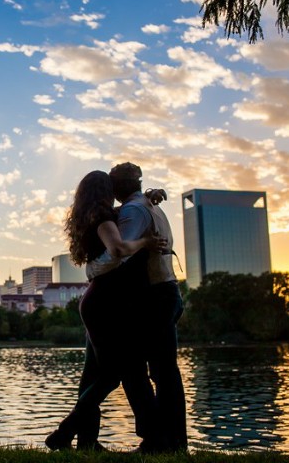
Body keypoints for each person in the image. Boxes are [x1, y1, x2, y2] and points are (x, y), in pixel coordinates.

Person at [45, 170, 164, 451]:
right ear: (104, 191)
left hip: (100, 301)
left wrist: (147, 197)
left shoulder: (91, 215)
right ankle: (63, 433)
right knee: (113, 375)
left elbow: (122, 214)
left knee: (94, 374)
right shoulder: (102, 217)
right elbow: (118, 248)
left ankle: (86, 442)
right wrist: (146, 242)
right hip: (106, 304)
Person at [88, 162, 187, 452]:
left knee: (136, 369)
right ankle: (171, 443)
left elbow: (118, 253)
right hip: (166, 292)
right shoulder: (148, 206)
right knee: (163, 371)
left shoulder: (133, 211)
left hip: (155, 298)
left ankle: (158, 441)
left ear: (116, 188)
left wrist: (92, 269)